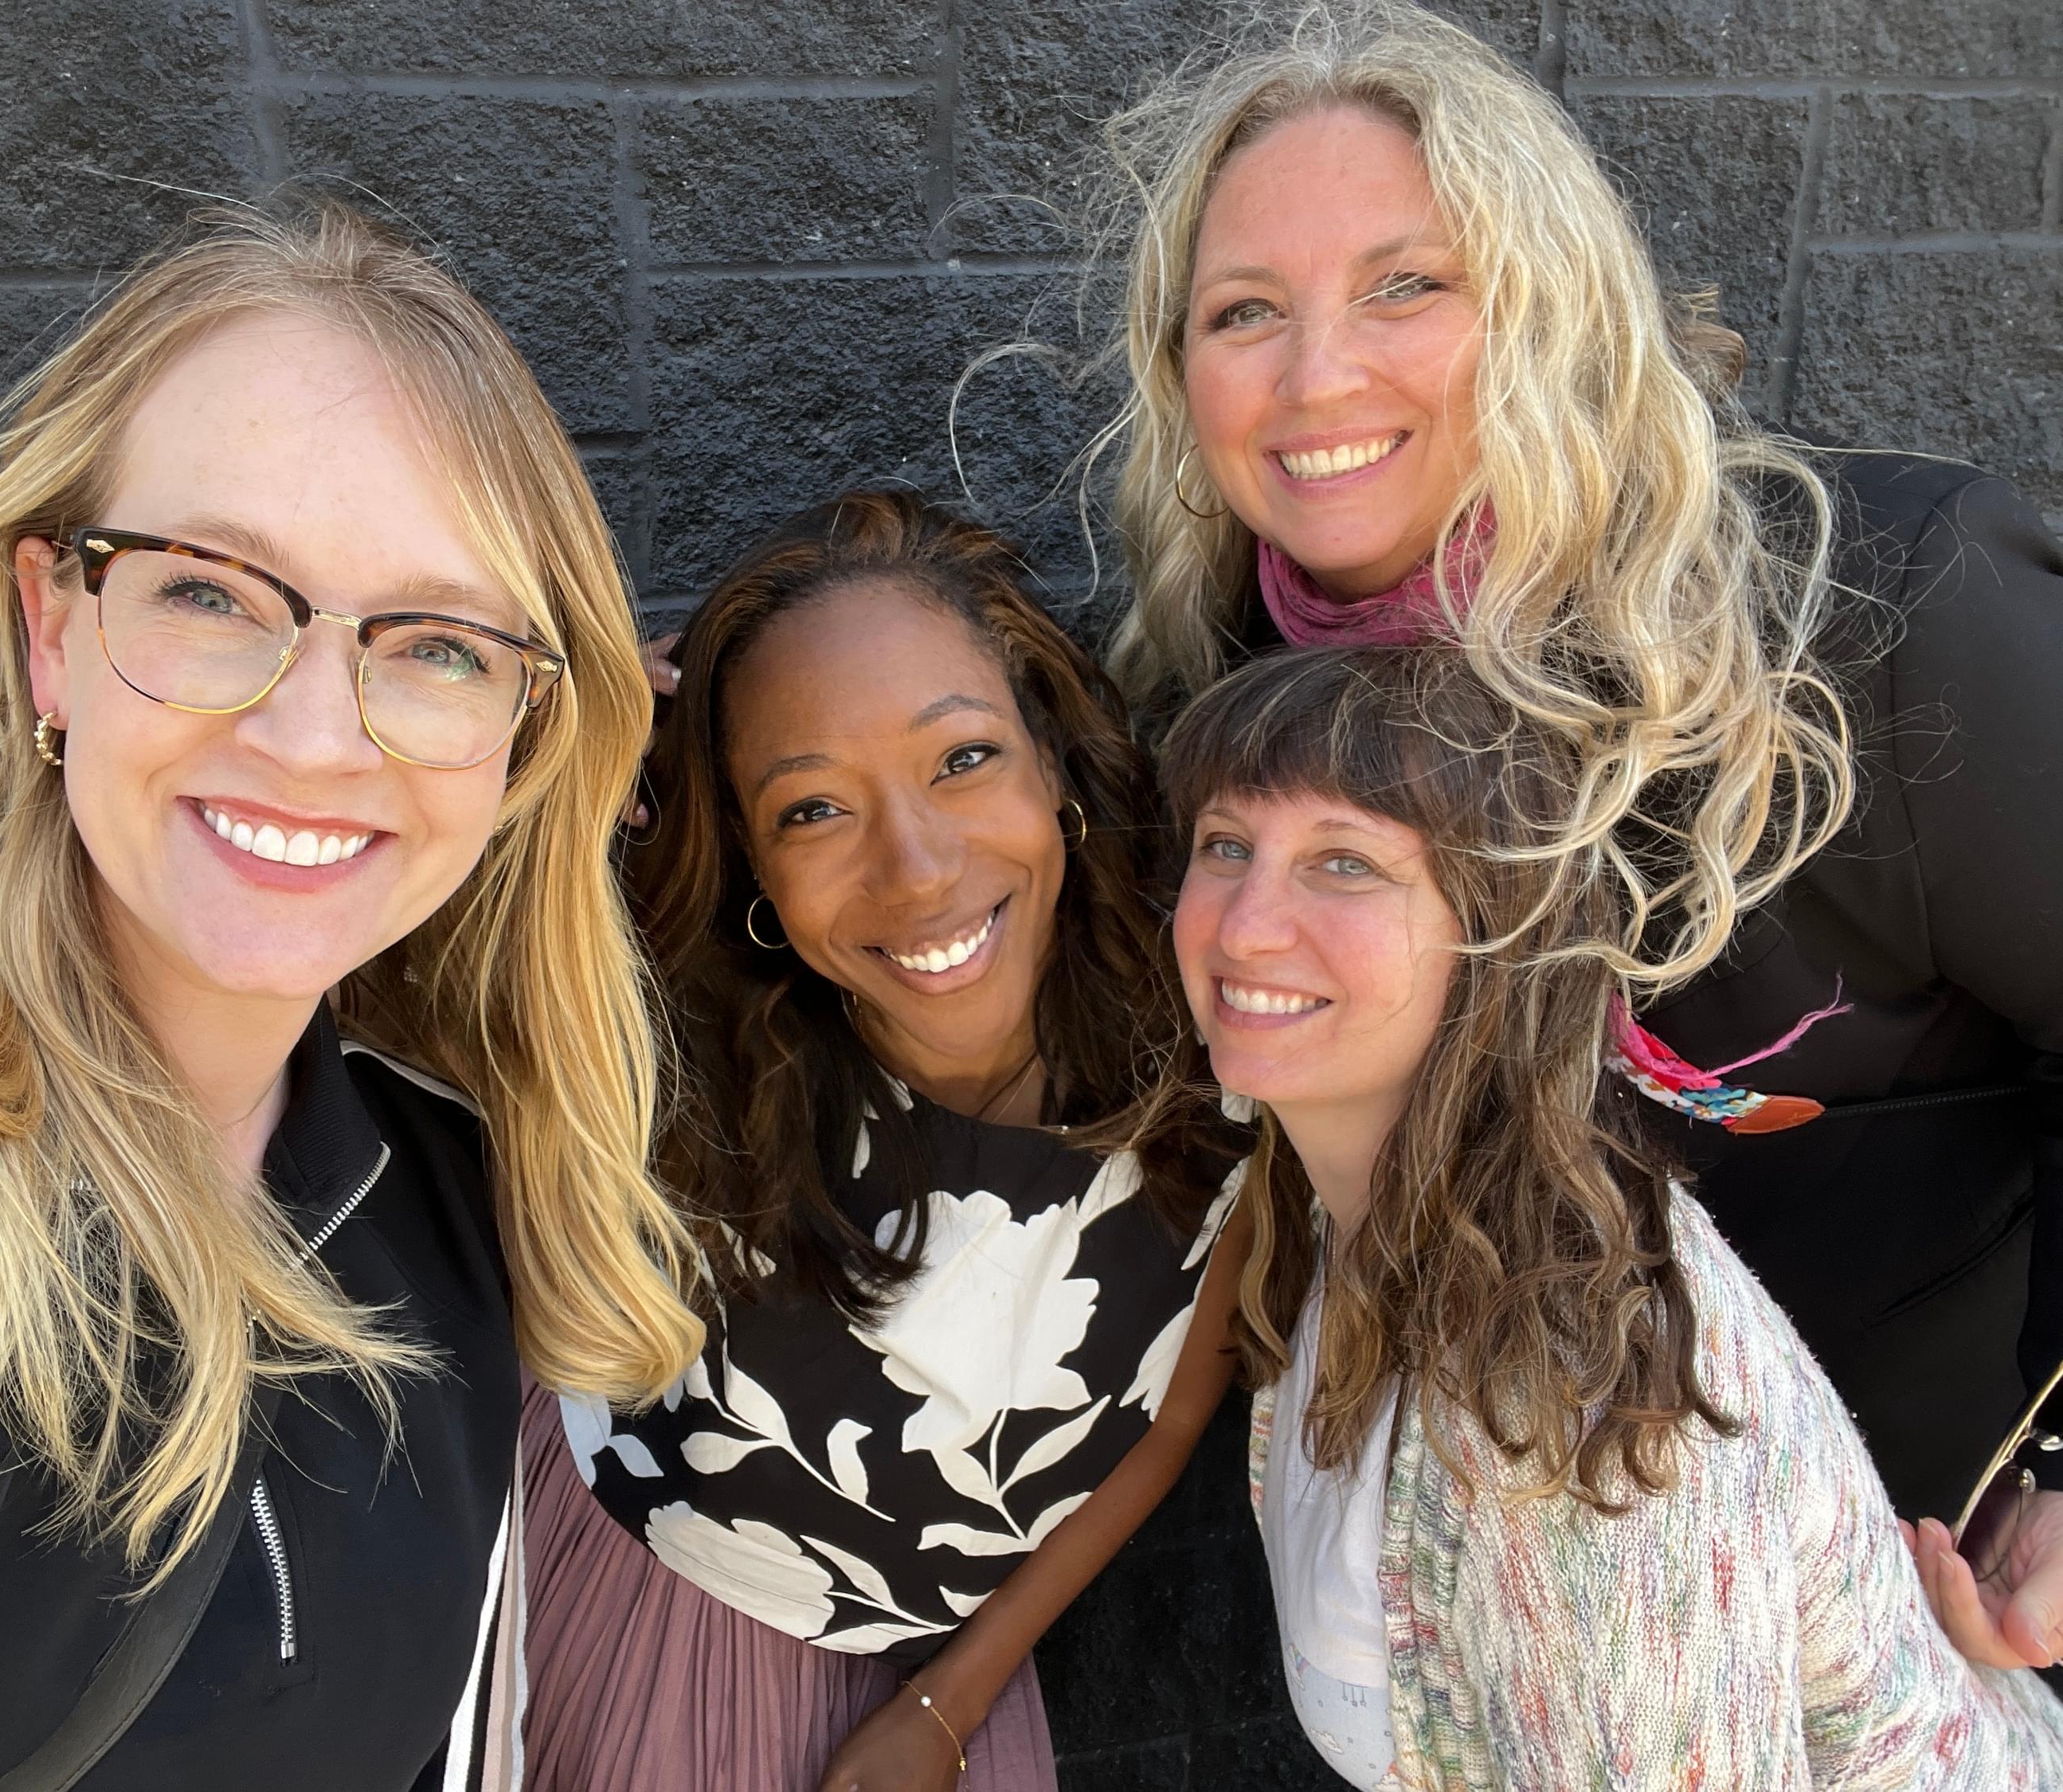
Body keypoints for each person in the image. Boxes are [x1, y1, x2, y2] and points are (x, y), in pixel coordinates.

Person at [0, 202, 699, 1790]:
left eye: (436, 644)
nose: (314, 738)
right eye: (210, 593)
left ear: (517, 736)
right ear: (51, 631)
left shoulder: (449, 1187)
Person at [1074, 0, 2063, 1647]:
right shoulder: (1211, 712)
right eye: (1245, 310)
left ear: (1554, 306)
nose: (1318, 375)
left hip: (1895, 1626)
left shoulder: (1877, 620)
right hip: (1471, 1628)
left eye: (1406, 284)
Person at [1163, 644, 2063, 1787]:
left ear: (1502, 939)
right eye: (1225, 845)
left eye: (1345, 862)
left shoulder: (1572, 1425)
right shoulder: (1328, 1218)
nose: (1245, 926)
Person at [515, 491, 1256, 1790]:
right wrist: (531, 748)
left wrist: (949, 1705)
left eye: (962, 758)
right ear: (748, 858)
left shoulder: (1224, 1055)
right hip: (627, 1605)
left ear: (1052, 761)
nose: (915, 869)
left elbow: (1171, 1410)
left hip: (941, 1685)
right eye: (812, 809)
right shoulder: (671, 1038)